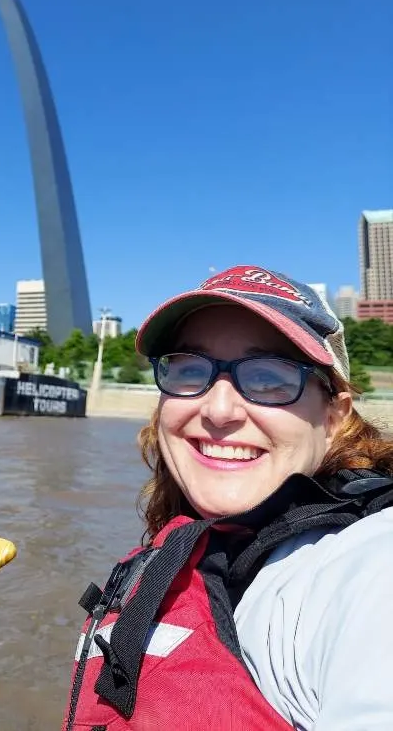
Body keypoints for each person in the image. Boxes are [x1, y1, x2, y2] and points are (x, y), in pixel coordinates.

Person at [62, 264, 393, 731]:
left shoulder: (370, 568)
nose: (218, 410)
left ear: (334, 418)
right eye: (189, 369)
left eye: (270, 378)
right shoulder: (198, 547)